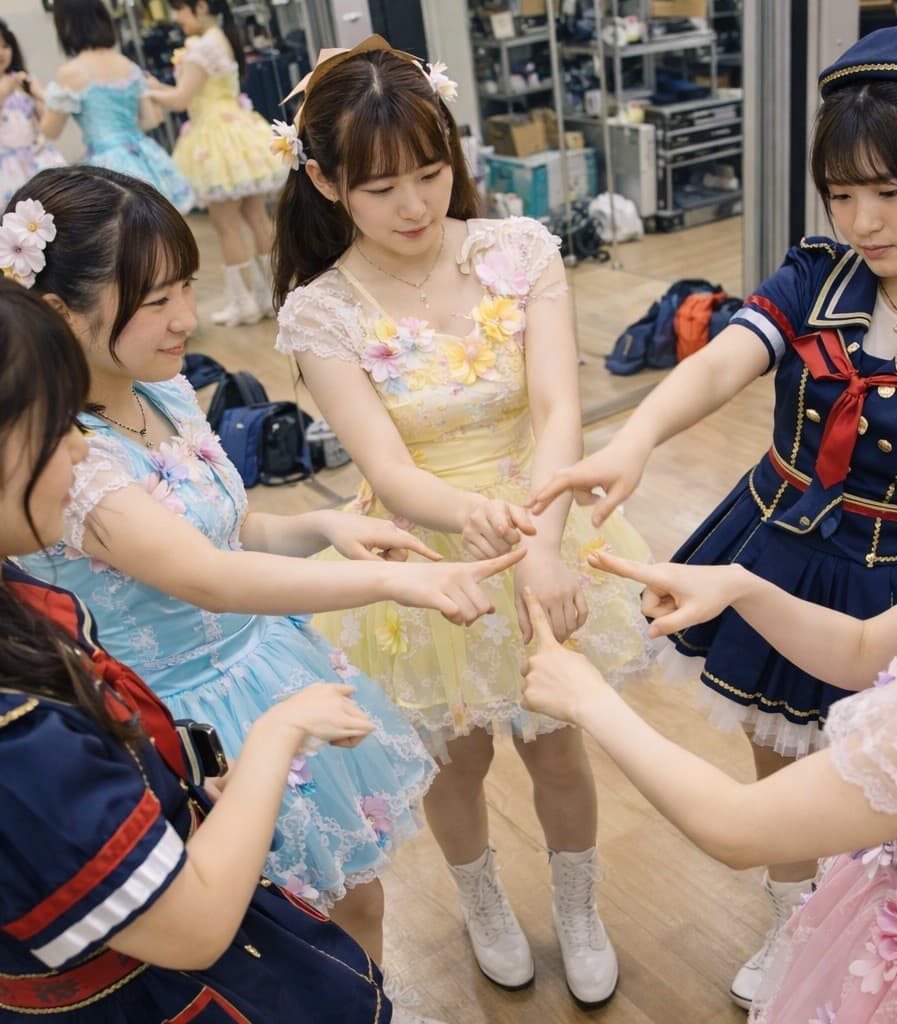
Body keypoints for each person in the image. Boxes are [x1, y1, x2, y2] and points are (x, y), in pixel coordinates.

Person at [527, 24, 897, 1007]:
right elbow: (726, 357)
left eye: (888, 192)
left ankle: (884, 902)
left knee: (878, 761)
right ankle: (799, 908)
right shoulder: (821, 272)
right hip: (786, 534)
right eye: (841, 194)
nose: (863, 220)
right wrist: (635, 439)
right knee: (774, 728)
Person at [9, 166, 522, 1005]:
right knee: (271, 943)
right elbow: (209, 579)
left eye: (187, 286)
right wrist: (394, 585)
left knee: (356, 903)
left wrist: (320, 526)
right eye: (156, 301)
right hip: (187, 718)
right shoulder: (69, 458)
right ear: (63, 312)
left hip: (269, 665)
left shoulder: (162, 389)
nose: (187, 317)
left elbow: (230, 528)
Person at [272, 35, 653, 1009]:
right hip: (421, 551)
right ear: (324, 182)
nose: (414, 204)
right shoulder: (320, 312)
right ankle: (481, 902)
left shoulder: (519, 251)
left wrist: (543, 543)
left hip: (544, 512)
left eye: (431, 172)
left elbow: (560, 410)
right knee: (455, 755)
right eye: (380, 186)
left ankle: (578, 908)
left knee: (557, 739)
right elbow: (391, 473)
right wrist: (476, 519)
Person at [0, 278, 399, 1022]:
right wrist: (277, 733)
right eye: (54, 426)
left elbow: (227, 533)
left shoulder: (22, 597)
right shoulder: (19, 731)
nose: (81, 446)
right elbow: (191, 927)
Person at [145, 0, 287, 326]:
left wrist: (150, 91)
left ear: (200, 6)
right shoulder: (220, 38)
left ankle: (243, 302)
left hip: (214, 135)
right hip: (237, 127)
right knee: (256, 216)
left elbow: (180, 99)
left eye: (179, 9)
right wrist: (162, 88)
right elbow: (193, 91)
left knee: (226, 224)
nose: (176, 18)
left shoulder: (202, 47)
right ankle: (272, 295)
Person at [39, 0, 193, 214]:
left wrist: (37, 95)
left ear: (65, 25)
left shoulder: (71, 72)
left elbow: (51, 130)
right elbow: (150, 119)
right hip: (143, 153)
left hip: (106, 162)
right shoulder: (127, 64)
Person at [0, 19, 65, 207]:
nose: (1, 53)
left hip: (40, 157)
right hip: (7, 169)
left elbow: (47, 125)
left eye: (5, 46)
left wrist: (39, 95)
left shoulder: (24, 80)